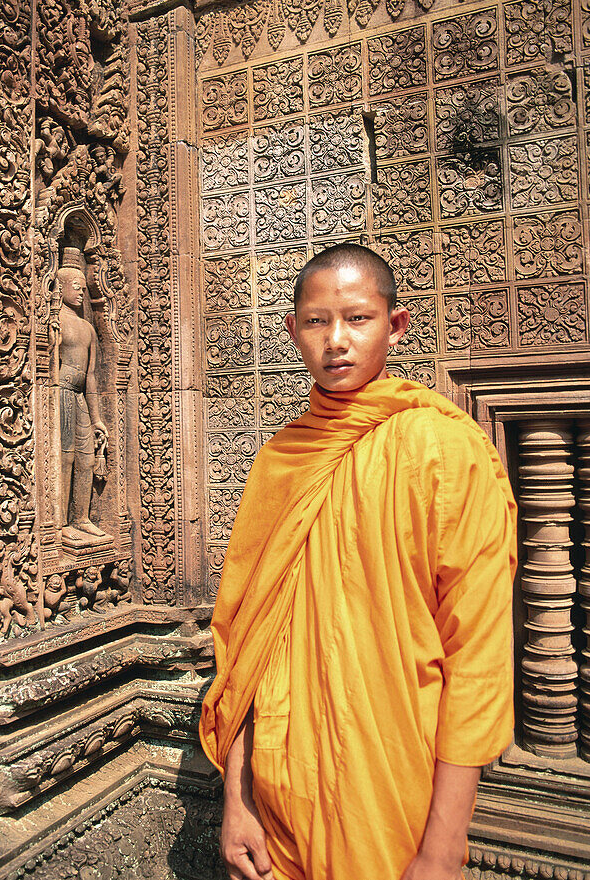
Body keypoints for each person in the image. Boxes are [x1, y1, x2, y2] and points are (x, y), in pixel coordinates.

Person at [200, 244, 516, 880]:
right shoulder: (281, 461)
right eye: (316, 322)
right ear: (292, 330)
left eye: (358, 319)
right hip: (277, 807)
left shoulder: (445, 451)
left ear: (395, 326)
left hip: (390, 791)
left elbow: (477, 657)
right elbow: (244, 647)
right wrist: (236, 802)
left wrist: (443, 850)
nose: (335, 341)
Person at [56, 246, 110, 544]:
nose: (80, 293)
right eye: (75, 288)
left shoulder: (87, 328)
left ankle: (82, 516)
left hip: (78, 396)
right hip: (60, 393)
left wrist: (97, 418)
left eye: (83, 288)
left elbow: (90, 377)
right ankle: (61, 521)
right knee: (65, 457)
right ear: (60, 287)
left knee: (87, 458)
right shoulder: (54, 322)